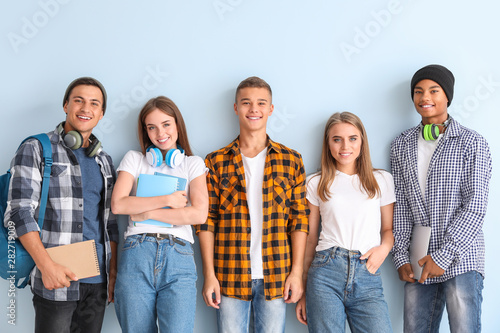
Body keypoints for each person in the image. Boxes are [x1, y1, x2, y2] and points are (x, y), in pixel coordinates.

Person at [195, 76, 309, 333]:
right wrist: (209, 275)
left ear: (270, 109)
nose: (253, 109)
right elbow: (206, 221)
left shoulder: (291, 160)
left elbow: (299, 219)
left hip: (277, 274)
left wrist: (297, 273)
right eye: (246, 103)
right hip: (229, 274)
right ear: (236, 108)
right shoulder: (215, 161)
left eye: (261, 103)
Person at [4, 77, 118, 332]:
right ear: (66, 105)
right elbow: (18, 213)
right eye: (78, 100)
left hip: (97, 283)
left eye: (94, 103)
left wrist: (113, 274)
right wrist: (47, 267)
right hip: (55, 280)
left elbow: (110, 224)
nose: (85, 109)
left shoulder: (104, 161)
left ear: (101, 113)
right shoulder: (36, 148)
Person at [391, 64, 492, 332]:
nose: (425, 97)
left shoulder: (472, 142)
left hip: (462, 258)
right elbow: (400, 206)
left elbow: (475, 205)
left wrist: (445, 255)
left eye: (434, 90)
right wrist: (400, 256)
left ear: (447, 96)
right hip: (418, 260)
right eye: (418, 91)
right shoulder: (400, 145)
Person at [111, 96, 208, 333]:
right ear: (145, 131)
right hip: (137, 254)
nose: (160, 133)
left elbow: (198, 214)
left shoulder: (192, 164)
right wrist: (167, 201)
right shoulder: (134, 159)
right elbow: (118, 205)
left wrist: (146, 213)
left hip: (179, 255)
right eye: (151, 127)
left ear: (177, 125)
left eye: (166, 124)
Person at [295, 112, 395, 333]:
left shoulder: (381, 180)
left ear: (362, 141)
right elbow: (310, 238)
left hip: (367, 272)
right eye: (336, 139)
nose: (344, 146)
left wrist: (383, 249)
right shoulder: (315, 182)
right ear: (328, 143)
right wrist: (303, 289)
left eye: (352, 138)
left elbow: (388, 229)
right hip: (325, 272)